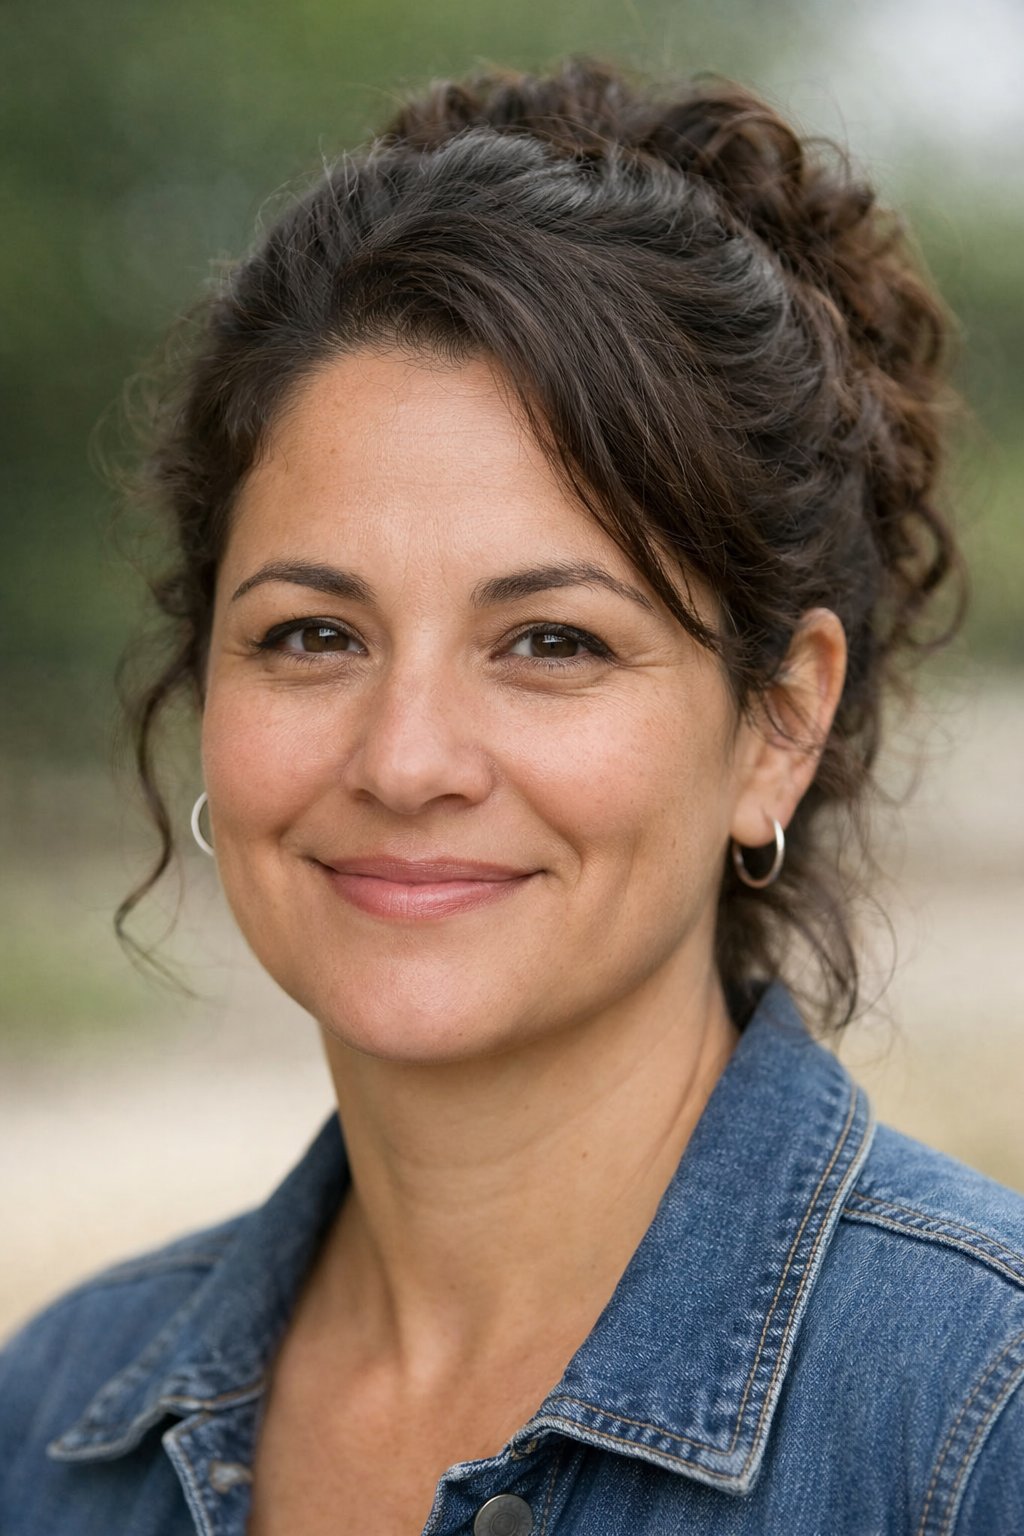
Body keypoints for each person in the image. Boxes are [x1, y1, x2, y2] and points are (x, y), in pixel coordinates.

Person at [1, 56, 1022, 1536]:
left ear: (775, 729)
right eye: (313, 636)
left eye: (551, 642)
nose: (407, 759)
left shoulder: (977, 1422)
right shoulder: (55, 1424)